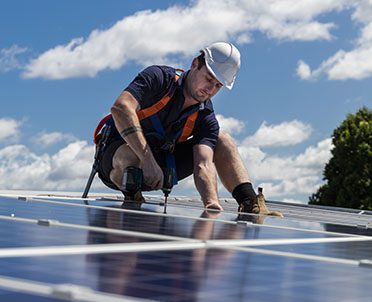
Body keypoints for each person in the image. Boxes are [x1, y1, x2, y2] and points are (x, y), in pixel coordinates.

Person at [96, 41, 259, 213]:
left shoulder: (205, 116)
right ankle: (132, 195)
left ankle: (250, 203)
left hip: (160, 171)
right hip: (117, 162)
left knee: (221, 138)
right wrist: (147, 159)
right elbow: (121, 107)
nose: (210, 89)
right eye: (209, 78)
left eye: (218, 85)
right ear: (195, 64)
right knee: (130, 156)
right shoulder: (159, 79)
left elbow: (203, 164)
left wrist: (211, 202)